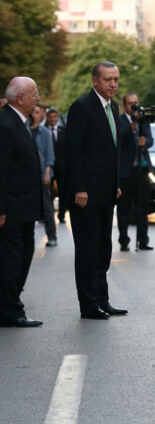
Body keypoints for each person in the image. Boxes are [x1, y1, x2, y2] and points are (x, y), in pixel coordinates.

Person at [66, 61, 127, 320]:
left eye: (115, 79)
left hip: (106, 192)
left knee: (103, 248)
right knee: (88, 250)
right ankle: (89, 305)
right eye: (107, 79)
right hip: (86, 194)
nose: (112, 84)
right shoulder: (82, 107)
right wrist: (80, 187)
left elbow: (111, 152)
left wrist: (117, 185)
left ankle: (103, 299)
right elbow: (74, 152)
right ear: (95, 81)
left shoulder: (112, 107)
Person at [0, 77, 43, 327]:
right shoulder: (5, 125)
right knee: (11, 260)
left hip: (24, 207)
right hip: (12, 209)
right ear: (20, 98)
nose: (37, 98)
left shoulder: (20, 121)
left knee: (22, 257)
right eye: (33, 94)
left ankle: (10, 305)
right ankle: (11, 311)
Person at [117, 93, 154, 252]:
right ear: (125, 105)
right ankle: (124, 240)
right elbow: (119, 142)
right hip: (125, 172)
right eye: (131, 104)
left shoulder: (144, 120)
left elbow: (151, 140)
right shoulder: (119, 121)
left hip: (141, 170)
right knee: (123, 209)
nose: (134, 107)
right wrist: (132, 126)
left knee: (142, 209)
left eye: (136, 103)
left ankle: (143, 241)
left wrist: (146, 142)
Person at [30, 104, 57, 247]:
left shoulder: (44, 132)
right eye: (33, 112)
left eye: (37, 112)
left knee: (47, 208)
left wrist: (47, 173)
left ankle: (52, 236)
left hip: (42, 175)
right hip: (27, 177)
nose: (35, 115)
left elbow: (49, 155)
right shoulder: (24, 130)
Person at [46, 108, 67, 223]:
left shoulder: (64, 131)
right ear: (47, 118)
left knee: (63, 191)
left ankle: (62, 214)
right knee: (48, 192)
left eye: (54, 117)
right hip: (48, 168)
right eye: (50, 117)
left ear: (57, 118)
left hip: (62, 168)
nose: (52, 119)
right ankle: (48, 215)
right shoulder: (43, 131)